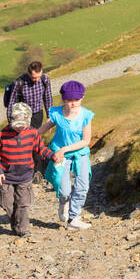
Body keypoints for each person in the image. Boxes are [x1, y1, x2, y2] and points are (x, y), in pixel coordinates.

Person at [0, 102, 56, 237]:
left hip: (25, 176)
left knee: (23, 204)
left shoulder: (33, 133)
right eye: (17, 124)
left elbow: (40, 149)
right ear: (11, 120)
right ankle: (16, 222)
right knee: (6, 203)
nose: (20, 127)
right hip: (6, 176)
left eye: (23, 125)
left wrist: (52, 156)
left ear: (29, 120)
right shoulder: (2, 134)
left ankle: (23, 228)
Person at [40, 81, 95, 230]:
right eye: (69, 101)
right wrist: (28, 138)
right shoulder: (56, 113)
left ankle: (73, 218)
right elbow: (42, 130)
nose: (73, 104)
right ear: (64, 100)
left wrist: (65, 149)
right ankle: (63, 202)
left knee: (82, 185)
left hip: (79, 153)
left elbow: (86, 140)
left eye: (76, 100)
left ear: (81, 98)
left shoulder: (86, 116)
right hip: (59, 155)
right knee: (64, 190)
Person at [10, 60, 53, 131]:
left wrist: (49, 117)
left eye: (39, 77)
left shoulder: (45, 79)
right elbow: (11, 104)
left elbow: (48, 98)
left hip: (38, 115)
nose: (37, 80)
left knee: (35, 136)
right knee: (24, 138)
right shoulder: (19, 83)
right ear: (28, 73)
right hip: (22, 116)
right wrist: (11, 122)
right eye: (34, 77)